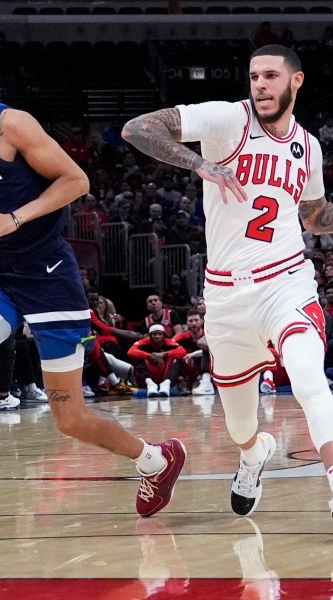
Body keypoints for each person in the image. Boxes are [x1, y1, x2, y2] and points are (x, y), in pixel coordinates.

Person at [0, 37, 186, 543]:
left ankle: (155, 459)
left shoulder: (11, 124)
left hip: (48, 272)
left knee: (69, 416)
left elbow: (76, 181)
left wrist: (16, 217)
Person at [122, 44, 333, 517]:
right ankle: (253, 453)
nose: (260, 84)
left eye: (271, 76)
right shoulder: (225, 119)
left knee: (307, 377)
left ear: (295, 82)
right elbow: (137, 128)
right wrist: (199, 164)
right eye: (255, 76)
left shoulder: (309, 147)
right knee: (240, 424)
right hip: (225, 294)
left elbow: (315, 218)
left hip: (286, 281)